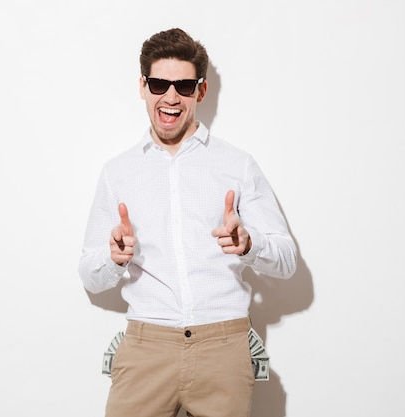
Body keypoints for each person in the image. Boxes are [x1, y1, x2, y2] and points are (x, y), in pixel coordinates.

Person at [78, 27, 297, 417]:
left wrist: (249, 245)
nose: (171, 97)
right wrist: (114, 258)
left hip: (223, 347)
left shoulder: (237, 165)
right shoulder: (118, 172)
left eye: (183, 85)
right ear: (143, 86)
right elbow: (89, 277)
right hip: (146, 346)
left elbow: (286, 260)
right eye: (160, 83)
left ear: (200, 91)